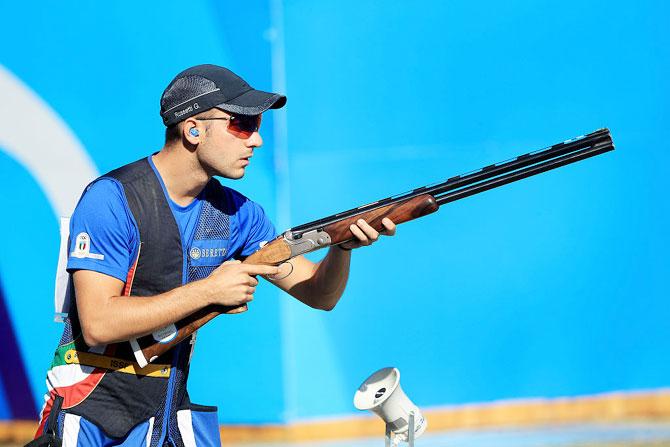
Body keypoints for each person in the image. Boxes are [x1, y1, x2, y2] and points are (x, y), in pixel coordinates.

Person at [32, 64, 396, 447]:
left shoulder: (238, 214)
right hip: (88, 410)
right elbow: (99, 324)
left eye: (257, 125)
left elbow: (319, 294)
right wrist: (209, 291)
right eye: (242, 124)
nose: (256, 140)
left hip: (166, 412)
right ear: (193, 129)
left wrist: (342, 247)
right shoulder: (112, 199)